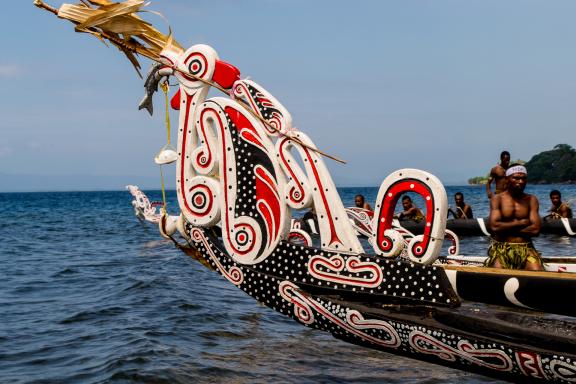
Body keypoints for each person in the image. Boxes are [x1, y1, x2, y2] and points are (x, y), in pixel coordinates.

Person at [486, 164, 543, 271]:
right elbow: (494, 227)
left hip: (526, 250)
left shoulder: (531, 200)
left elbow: (536, 230)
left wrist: (505, 229)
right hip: (503, 250)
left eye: (523, 178)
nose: (521, 181)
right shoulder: (497, 199)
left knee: (538, 271)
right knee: (497, 274)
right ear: (507, 179)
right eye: (516, 178)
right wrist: (520, 223)